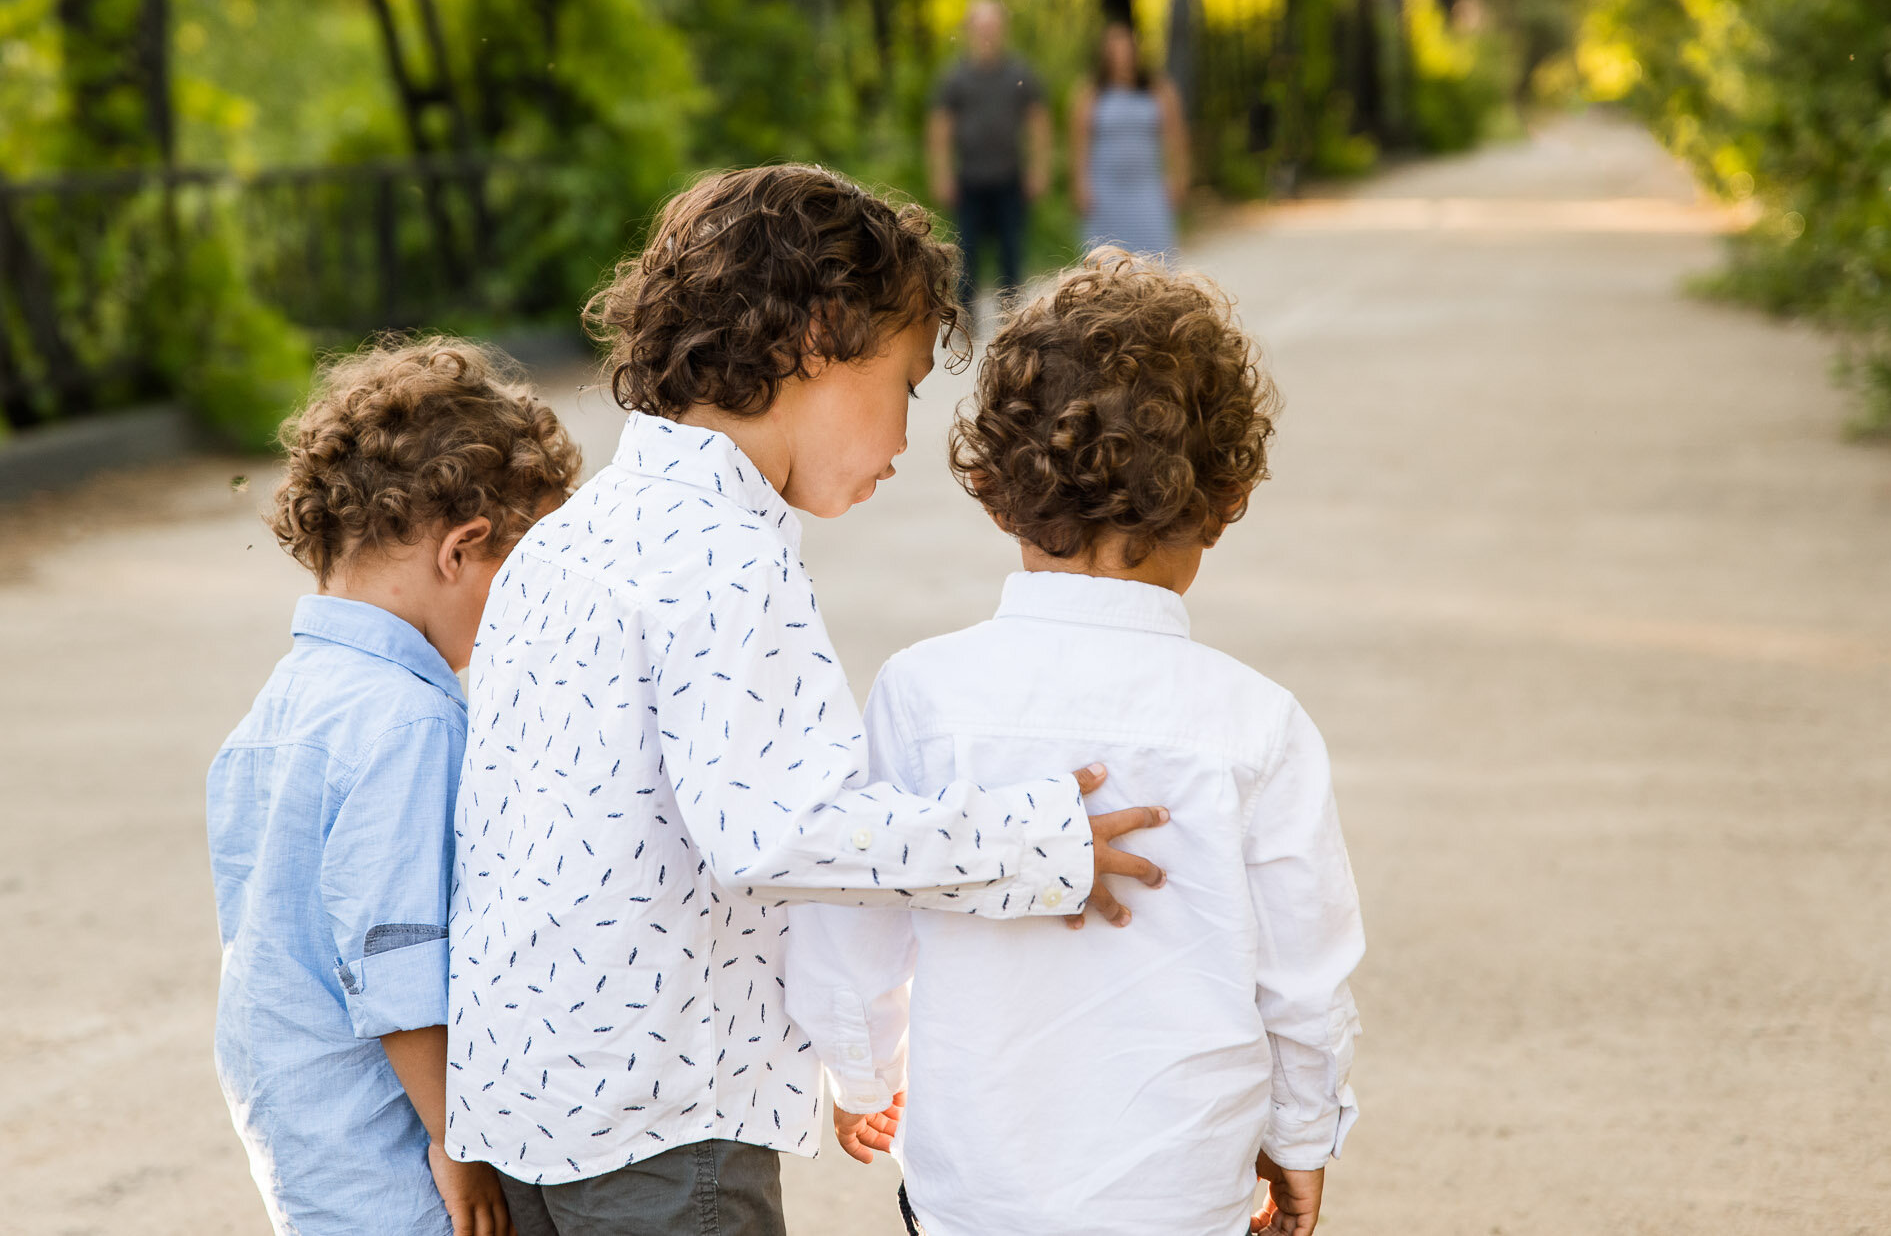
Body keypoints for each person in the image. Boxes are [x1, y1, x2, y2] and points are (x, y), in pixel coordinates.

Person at [444, 166, 1170, 1236]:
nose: (905, 438)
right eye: (908, 382)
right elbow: (786, 827)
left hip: (525, 1108)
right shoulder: (728, 557)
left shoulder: (565, 538)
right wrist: (1036, 839)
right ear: (819, 336)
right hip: (665, 1120)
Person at [785, 250, 1365, 1236]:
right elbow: (1302, 981)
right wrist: (1299, 1140)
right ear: (1224, 500)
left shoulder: (923, 696)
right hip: (1182, 1194)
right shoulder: (1255, 726)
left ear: (996, 487)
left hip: (977, 1187)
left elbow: (852, 924)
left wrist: (862, 1071)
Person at [207, 338, 582, 1236]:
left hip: (308, 1141)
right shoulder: (409, 722)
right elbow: (397, 959)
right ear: (463, 549)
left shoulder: (277, 710)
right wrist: (461, 1141)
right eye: (523, 580)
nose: (530, 613)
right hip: (398, 1152)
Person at [927, 0, 1051, 308]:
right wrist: (941, 174)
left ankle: (1011, 318)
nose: (987, 33)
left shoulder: (1019, 72)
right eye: (981, 26)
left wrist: (1039, 169)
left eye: (992, 26)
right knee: (966, 254)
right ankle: (966, 320)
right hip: (969, 179)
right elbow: (940, 129)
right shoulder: (954, 76)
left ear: (1002, 29)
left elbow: (1038, 123)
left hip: (1010, 177)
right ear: (969, 30)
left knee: (1012, 254)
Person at [1070, 22, 1191, 258]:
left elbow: (1175, 137)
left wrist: (1178, 175)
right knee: (1106, 260)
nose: (1121, 56)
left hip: (1146, 187)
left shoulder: (1159, 89)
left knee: (1155, 256)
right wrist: (1081, 183)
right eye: (1114, 50)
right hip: (1106, 189)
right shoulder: (1090, 92)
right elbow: (1080, 142)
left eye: (1126, 49)